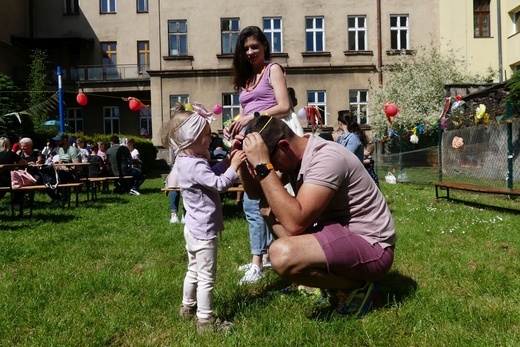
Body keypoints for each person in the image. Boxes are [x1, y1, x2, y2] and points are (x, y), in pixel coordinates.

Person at [239, 115, 396, 317]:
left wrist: (263, 165)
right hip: (342, 235)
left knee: (281, 254)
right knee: (266, 206)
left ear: (284, 146)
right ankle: (315, 283)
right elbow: (257, 194)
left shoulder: (325, 158)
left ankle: (357, 287)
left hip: (372, 247)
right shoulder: (297, 155)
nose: (274, 169)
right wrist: (244, 163)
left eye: (272, 161)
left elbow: (295, 224)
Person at [162, 102, 246, 333]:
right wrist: (235, 167)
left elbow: (211, 175)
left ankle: (187, 308)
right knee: (206, 277)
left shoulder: (188, 162)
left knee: (192, 270)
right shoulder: (195, 165)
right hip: (204, 232)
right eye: (207, 136)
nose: (210, 140)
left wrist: (228, 160)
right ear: (191, 139)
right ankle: (205, 320)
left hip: (192, 228)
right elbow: (218, 185)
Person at [227, 25, 299, 284]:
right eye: (245, 48)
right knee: (254, 200)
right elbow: (245, 114)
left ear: (265, 46)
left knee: (267, 200)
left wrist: (251, 116)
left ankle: (263, 260)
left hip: (272, 138)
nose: (250, 52)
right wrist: (235, 126)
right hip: (252, 139)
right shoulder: (245, 80)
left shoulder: (273, 69)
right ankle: (262, 257)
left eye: (255, 46)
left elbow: (283, 106)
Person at [0, 137, 28, 206]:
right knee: (20, 185)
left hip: (1, 180)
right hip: (9, 180)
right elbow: (24, 163)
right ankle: (16, 203)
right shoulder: (11, 154)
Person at [165, 144, 184, 224]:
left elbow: (171, 159)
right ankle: (185, 214)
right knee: (188, 190)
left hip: (177, 165)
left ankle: (174, 214)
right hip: (191, 167)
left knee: (173, 186)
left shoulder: (173, 139)